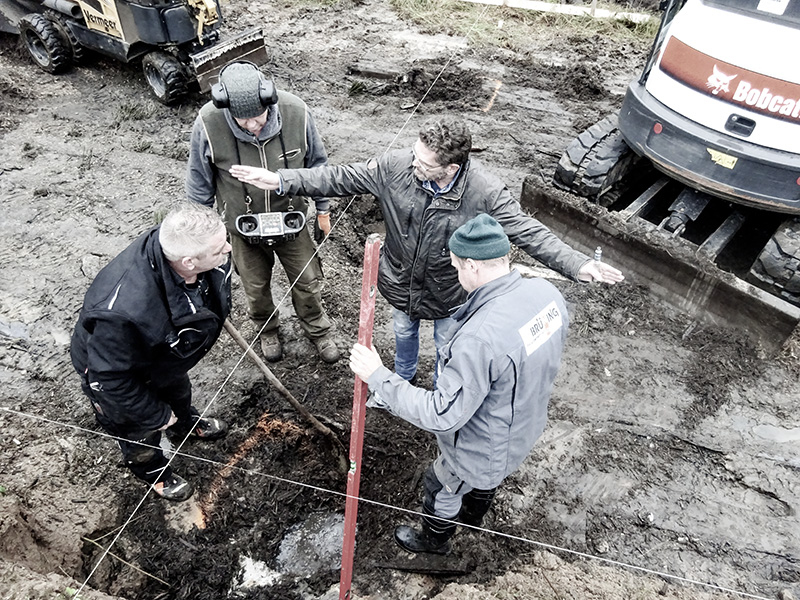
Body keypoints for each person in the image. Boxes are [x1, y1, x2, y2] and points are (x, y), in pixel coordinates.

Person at [229, 116, 621, 384]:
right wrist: (282, 179)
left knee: (449, 343)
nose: (412, 163)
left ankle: (440, 390)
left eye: (423, 162)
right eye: (414, 154)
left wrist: (578, 263)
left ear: (451, 168)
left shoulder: (484, 191)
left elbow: (527, 230)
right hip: (400, 283)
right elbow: (337, 177)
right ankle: (401, 381)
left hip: (449, 292)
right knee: (403, 330)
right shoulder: (395, 166)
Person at [349, 214, 569, 554]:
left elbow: (442, 414)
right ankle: (473, 513)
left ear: (472, 267)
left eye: (456, 267)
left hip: (485, 445)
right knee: (485, 480)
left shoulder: (479, 339)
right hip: (526, 423)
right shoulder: (547, 294)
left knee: (440, 484)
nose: (456, 275)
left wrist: (379, 375)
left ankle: (435, 543)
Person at [70, 203, 233, 502]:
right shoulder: (121, 313)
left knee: (179, 393)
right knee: (139, 431)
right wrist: (155, 415)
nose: (228, 248)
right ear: (188, 262)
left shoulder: (190, 249)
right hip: (118, 376)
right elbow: (108, 380)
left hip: (163, 355)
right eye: (219, 248)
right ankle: (155, 474)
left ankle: (185, 425)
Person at [186, 61, 340, 363]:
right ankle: (267, 329)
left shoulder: (297, 112)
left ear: (269, 99)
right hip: (242, 226)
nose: (253, 127)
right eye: (244, 123)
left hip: (292, 218)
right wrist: (200, 233)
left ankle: (318, 330)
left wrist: (323, 210)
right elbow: (198, 183)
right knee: (254, 286)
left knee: (308, 281)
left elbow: (318, 166)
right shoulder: (207, 123)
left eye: (259, 119)